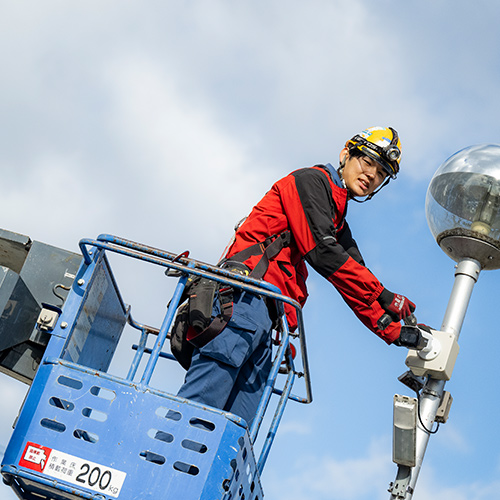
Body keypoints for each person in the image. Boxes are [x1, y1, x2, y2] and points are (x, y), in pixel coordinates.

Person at [177, 126, 417, 427]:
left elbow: (355, 275)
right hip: (242, 300)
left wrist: (395, 331)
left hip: (267, 320)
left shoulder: (334, 217)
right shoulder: (310, 183)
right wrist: (384, 296)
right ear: (346, 154)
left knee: (234, 429)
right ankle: (161, 455)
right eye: (367, 162)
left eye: (381, 173)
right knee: (199, 409)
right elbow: (323, 253)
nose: (372, 175)